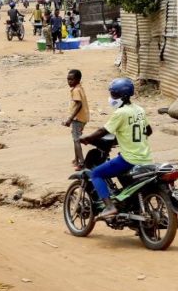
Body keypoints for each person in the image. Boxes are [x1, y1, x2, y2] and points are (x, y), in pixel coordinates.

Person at [80, 78, 153, 220]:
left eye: (114, 95)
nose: (111, 98)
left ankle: (109, 206)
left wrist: (87, 138)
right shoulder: (139, 110)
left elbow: (102, 131)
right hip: (146, 158)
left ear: (123, 96)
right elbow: (148, 131)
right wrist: (126, 138)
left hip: (129, 159)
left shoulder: (120, 113)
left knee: (96, 174)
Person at [63, 70, 89, 170]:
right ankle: (76, 159)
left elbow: (79, 104)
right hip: (82, 117)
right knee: (75, 138)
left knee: (76, 140)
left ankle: (82, 163)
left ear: (78, 80)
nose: (69, 81)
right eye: (68, 79)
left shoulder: (75, 90)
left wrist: (70, 119)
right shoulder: (79, 88)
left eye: (71, 79)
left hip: (78, 118)